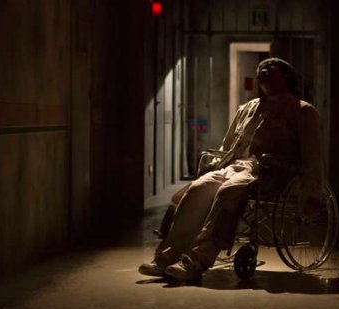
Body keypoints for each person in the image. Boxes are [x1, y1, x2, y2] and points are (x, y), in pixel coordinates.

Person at [139, 57, 325, 282]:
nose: (263, 70)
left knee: (228, 192)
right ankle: (167, 256)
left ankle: (197, 259)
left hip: (269, 171)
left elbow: (312, 156)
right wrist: (214, 165)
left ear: (287, 75)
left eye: (270, 67)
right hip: (234, 166)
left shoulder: (302, 111)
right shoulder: (248, 108)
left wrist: (312, 192)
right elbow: (228, 146)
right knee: (198, 188)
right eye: (260, 68)